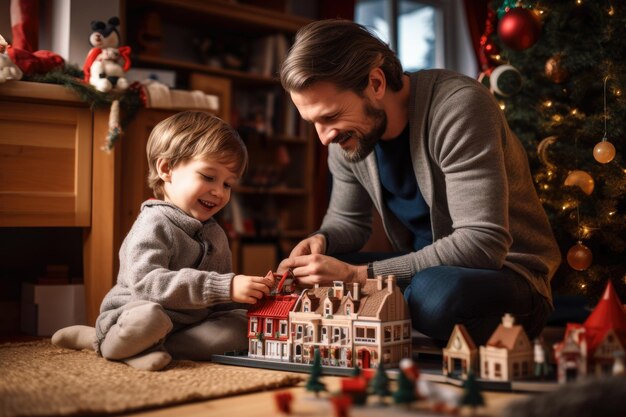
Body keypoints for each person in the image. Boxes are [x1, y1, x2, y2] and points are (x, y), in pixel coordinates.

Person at [277, 19, 561, 345]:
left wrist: (360, 277)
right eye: (313, 122)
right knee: (309, 278)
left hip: (507, 274)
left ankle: (390, 313)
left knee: (434, 297)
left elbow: (482, 243)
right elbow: (348, 222)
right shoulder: (348, 138)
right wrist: (321, 241)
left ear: (376, 83)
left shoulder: (458, 106)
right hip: (424, 271)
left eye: (329, 116)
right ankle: (389, 312)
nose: (324, 137)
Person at [52, 111, 274, 371]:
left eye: (228, 184)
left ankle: (147, 348)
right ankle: (100, 339)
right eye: (209, 177)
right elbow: (147, 284)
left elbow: (220, 299)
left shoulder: (216, 234)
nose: (219, 191)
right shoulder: (153, 223)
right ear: (166, 169)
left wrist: (253, 295)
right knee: (149, 320)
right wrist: (224, 286)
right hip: (138, 313)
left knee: (243, 327)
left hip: (190, 325)